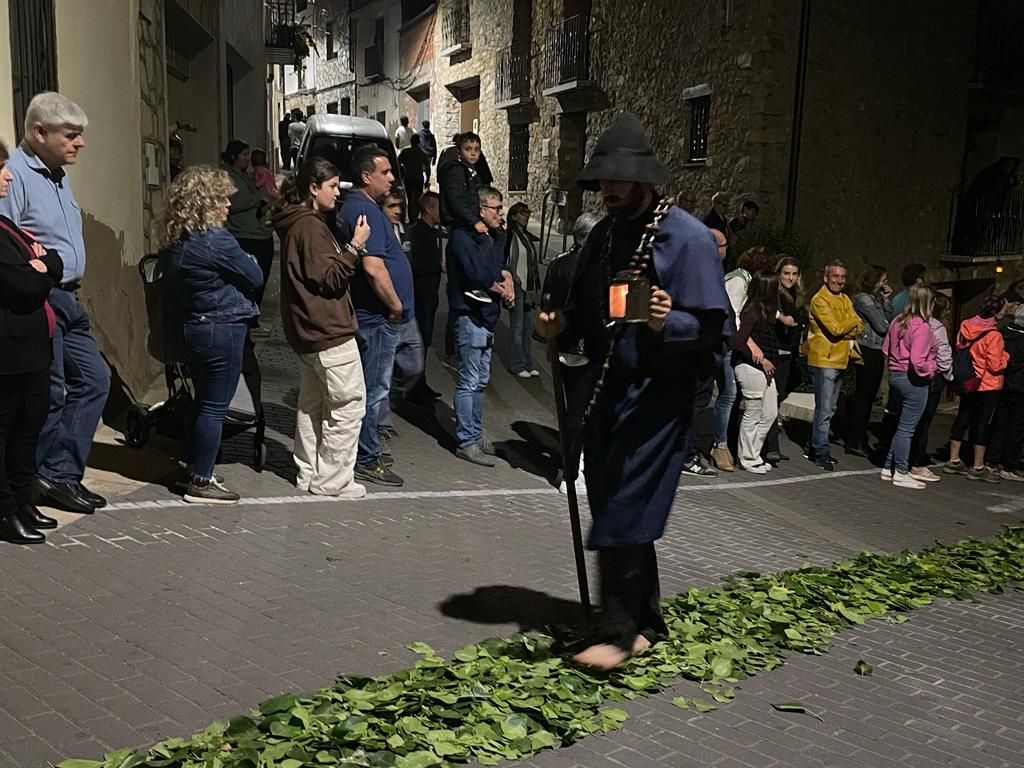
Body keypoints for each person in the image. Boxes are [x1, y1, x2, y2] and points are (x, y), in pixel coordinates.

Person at [536, 113, 730, 670]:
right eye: (603, 181)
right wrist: (556, 327)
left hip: (658, 400)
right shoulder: (606, 232)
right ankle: (648, 620)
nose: (610, 190)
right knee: (616, 504)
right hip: (605, 394)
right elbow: (584, 312)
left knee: (622, 511)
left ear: (646, 178)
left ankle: (617, 632)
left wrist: (671, 322)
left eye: (619, 180)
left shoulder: (687, 238)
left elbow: (714, 327)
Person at [0, 92, 110, 514]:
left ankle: (58, 473)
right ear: (38, 132)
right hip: (43, 300)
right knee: (53, 394)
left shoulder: (57, 173)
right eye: (71, 134)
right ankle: (29, 483)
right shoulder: (15, 175)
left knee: (95, 381)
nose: (79, 143)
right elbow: (9, 245)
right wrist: (43, 272)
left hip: (70, 296)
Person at [158, 166, 263, 504]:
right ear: (204, 202)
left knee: (201, 402)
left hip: (193, 327)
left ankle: (193, 468)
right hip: (221, 328)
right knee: (215, 407)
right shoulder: (215, 239)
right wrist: (245, 258)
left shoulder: (176, 238)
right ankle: (202, 480)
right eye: (221, 199)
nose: (228, 206)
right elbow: (254, 274)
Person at [273, 157, 370, 500]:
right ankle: (332, 481)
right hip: (328, 332)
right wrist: (355, 246)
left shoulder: (297, 224)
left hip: (308, 333)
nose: (336, 194)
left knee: (311, 405)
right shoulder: (310, 226)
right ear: (313, 189)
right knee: (346, 405)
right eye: (331, 187)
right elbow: (328, 278)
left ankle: (309, 473)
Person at [0, 137, 64, 544]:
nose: (7, 176)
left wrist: (41, 266)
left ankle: (23, 499)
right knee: (5, 429)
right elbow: (23, 283)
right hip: (7, 349)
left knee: (30, 424)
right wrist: (38, 269)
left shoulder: (6, 225)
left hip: (34, 345)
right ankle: (5, 510)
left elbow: (53, 258)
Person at [340, 146, 415, 487]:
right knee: (374, 391)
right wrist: (396, 306)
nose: (392, 177)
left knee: (376, 389)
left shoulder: (367, 208)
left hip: (378, 318)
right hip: (376, 320)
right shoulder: (362, 211)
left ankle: (367, 450)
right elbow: (373, 267)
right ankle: (366, 458)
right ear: (366, 176)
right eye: (385, 172)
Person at [448, 186, 513, 466]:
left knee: (480, 381)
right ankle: (466, 440)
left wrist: (507, 279)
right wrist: (498, 285)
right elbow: (479, 272)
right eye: (496, 208)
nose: (501, 214)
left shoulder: (494, 236)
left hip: (486, 317)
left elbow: (499, 267)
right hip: (470, 315)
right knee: (469, 381)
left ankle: (475, 433)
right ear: (481, 210)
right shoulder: (463, 237)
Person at [541, 212, 602, 494]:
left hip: (563, 346)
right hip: (586, 347)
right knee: (580, 413)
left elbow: (547, 304)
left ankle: (574, 466)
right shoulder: (594, 268)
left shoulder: (557, 264)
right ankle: (571, 472)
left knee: (573, 410)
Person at [709, 246, 776, 472]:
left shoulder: (743, 279)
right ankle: (719, 444)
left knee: (731, 395)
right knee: (727, 394)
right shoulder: (738, 281)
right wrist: (748, 342)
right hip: (726, 342)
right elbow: (734, 314)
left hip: (731, 342)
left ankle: (722, 443)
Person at [377, 189, 425, 456]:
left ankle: (394, 395)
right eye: (392, 205)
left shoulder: (406, 232)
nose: (397, 210)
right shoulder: (378, 233)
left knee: (415, 366)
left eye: (400, 205)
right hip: (388, 315)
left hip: (409, 314)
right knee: (382, 374)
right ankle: (381, 425)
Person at [943, 294, 1010, 482]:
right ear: (996, 313)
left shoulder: (966, 325)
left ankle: (953, 459)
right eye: (1004, 309)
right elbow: (996, 365)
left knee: (963, 416)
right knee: (983, 423)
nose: (1005, 312)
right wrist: (1006, 356)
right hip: (988, 385)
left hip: (969, 380)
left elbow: (959, 347)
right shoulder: (994, 335)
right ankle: (978, 466)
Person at [805, 260, 863, 471]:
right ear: (826, 277)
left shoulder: (845, 299)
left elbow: (859, 324)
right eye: (835, 276)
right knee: (824, 408)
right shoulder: (820, 300)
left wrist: (849, 325)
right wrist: (851, 324)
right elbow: (836, 328)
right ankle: (820, 451)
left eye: (842, 277)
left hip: (841, 359)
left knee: (831, 407)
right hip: (824, 359)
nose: (839, 281)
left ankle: (815, 445)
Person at [880, 284, 938, 490]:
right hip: (914, 380)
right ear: (928, 303)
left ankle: (889, 466)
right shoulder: (921, 327)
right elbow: (918, 361)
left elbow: (885, 349)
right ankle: (902, 472)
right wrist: (932, 367)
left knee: (902, 425)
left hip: (896, 376)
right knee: (907, 428)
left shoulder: (898, 321)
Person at [682, 228, 729, 478]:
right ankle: (686, 455)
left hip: (707, 350)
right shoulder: (701, 272)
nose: (725, 250)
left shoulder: (709, 272)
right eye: (722, 245)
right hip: (699, 352)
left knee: (695, 404)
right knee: (694, 405)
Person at [221, 140, 275, 337]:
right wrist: (260, 197)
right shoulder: (227, 176)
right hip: (245, 235)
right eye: (244, 155)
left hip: (258, 232)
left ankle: (252, 319)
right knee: (249, 280)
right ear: (234, 156)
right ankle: (248, 321)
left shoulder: (246, 175)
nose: (248, 159)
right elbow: (237, 201)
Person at [732, 273, 781, 473]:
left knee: (770, 413)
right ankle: (746, 458)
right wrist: (760, 359)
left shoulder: (766, 312)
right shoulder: (752, 311)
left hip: (764, 369)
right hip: (750, 368)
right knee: (753, 412)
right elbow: (738, 340)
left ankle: (754, 453)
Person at [846, 265, 894, 457]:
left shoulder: (874, 298)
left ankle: (857, 438)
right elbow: (882, 326)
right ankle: (855, 439)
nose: (885, 284)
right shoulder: (864, 299)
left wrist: (886, 299)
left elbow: (888, 315)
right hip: (867, 348)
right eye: (882, 280)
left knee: (867, 396)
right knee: (864, 397)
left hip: (875, 349)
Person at [762, 256, 806, 463]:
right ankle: (769, 446)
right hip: (773, 351)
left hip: (788, 353)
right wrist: (781, 318)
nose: (790, 277)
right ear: (778, 274)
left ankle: (770, 445)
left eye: (794, 274)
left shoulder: (795, 296)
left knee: (776, 399)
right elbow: (766, 309)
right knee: (769, 400)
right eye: (786, 273)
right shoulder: (774, 294)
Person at [909, 293, 952, 482]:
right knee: (924, 420)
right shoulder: (937, 327)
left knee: (909, 420)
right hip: (931, 376)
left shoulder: (909, 322)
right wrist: (949, 375)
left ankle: (904, 458)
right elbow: (943, 356)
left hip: (910, 375)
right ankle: (917, 462)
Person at [407, 191, 444, 400]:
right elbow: (417, 264)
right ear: (429, 209)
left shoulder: (432, 231)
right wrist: (438, 266)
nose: (441, 212)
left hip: (430, 297)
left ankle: (421, 383)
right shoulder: (418, 233)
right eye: (438, 207)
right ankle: (414, 387)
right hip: (421, 296)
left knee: (425, 342)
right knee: (419, 342)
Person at [987, 303, 1024, 481]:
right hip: (1020, 386)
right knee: (1017, 426)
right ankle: (1010, 463)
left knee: (1000, 423)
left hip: (1002, 382)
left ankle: (993, 459)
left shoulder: (1002, 332)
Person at [504, 202, 541, 378]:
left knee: (527, 328)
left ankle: (527, 362)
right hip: (518, 285)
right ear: (513, 216)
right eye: (522, 213)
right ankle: (516, 364)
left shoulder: (526, 236)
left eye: (527, 212)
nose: (526, 215)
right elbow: (506, 260)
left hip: (530, 286)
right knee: (517, 328)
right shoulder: (510, 236)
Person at [398, 134, 430, 221]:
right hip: (418, 178)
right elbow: (427, 166)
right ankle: (416, 217)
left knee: (409, 198)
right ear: (419, 142)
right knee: (417, 199)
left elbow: (398, 162)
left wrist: (401, 173)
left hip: (409, 178)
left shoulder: (405, 152)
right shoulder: (421, 153)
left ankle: (412, 217)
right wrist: (428, 178)